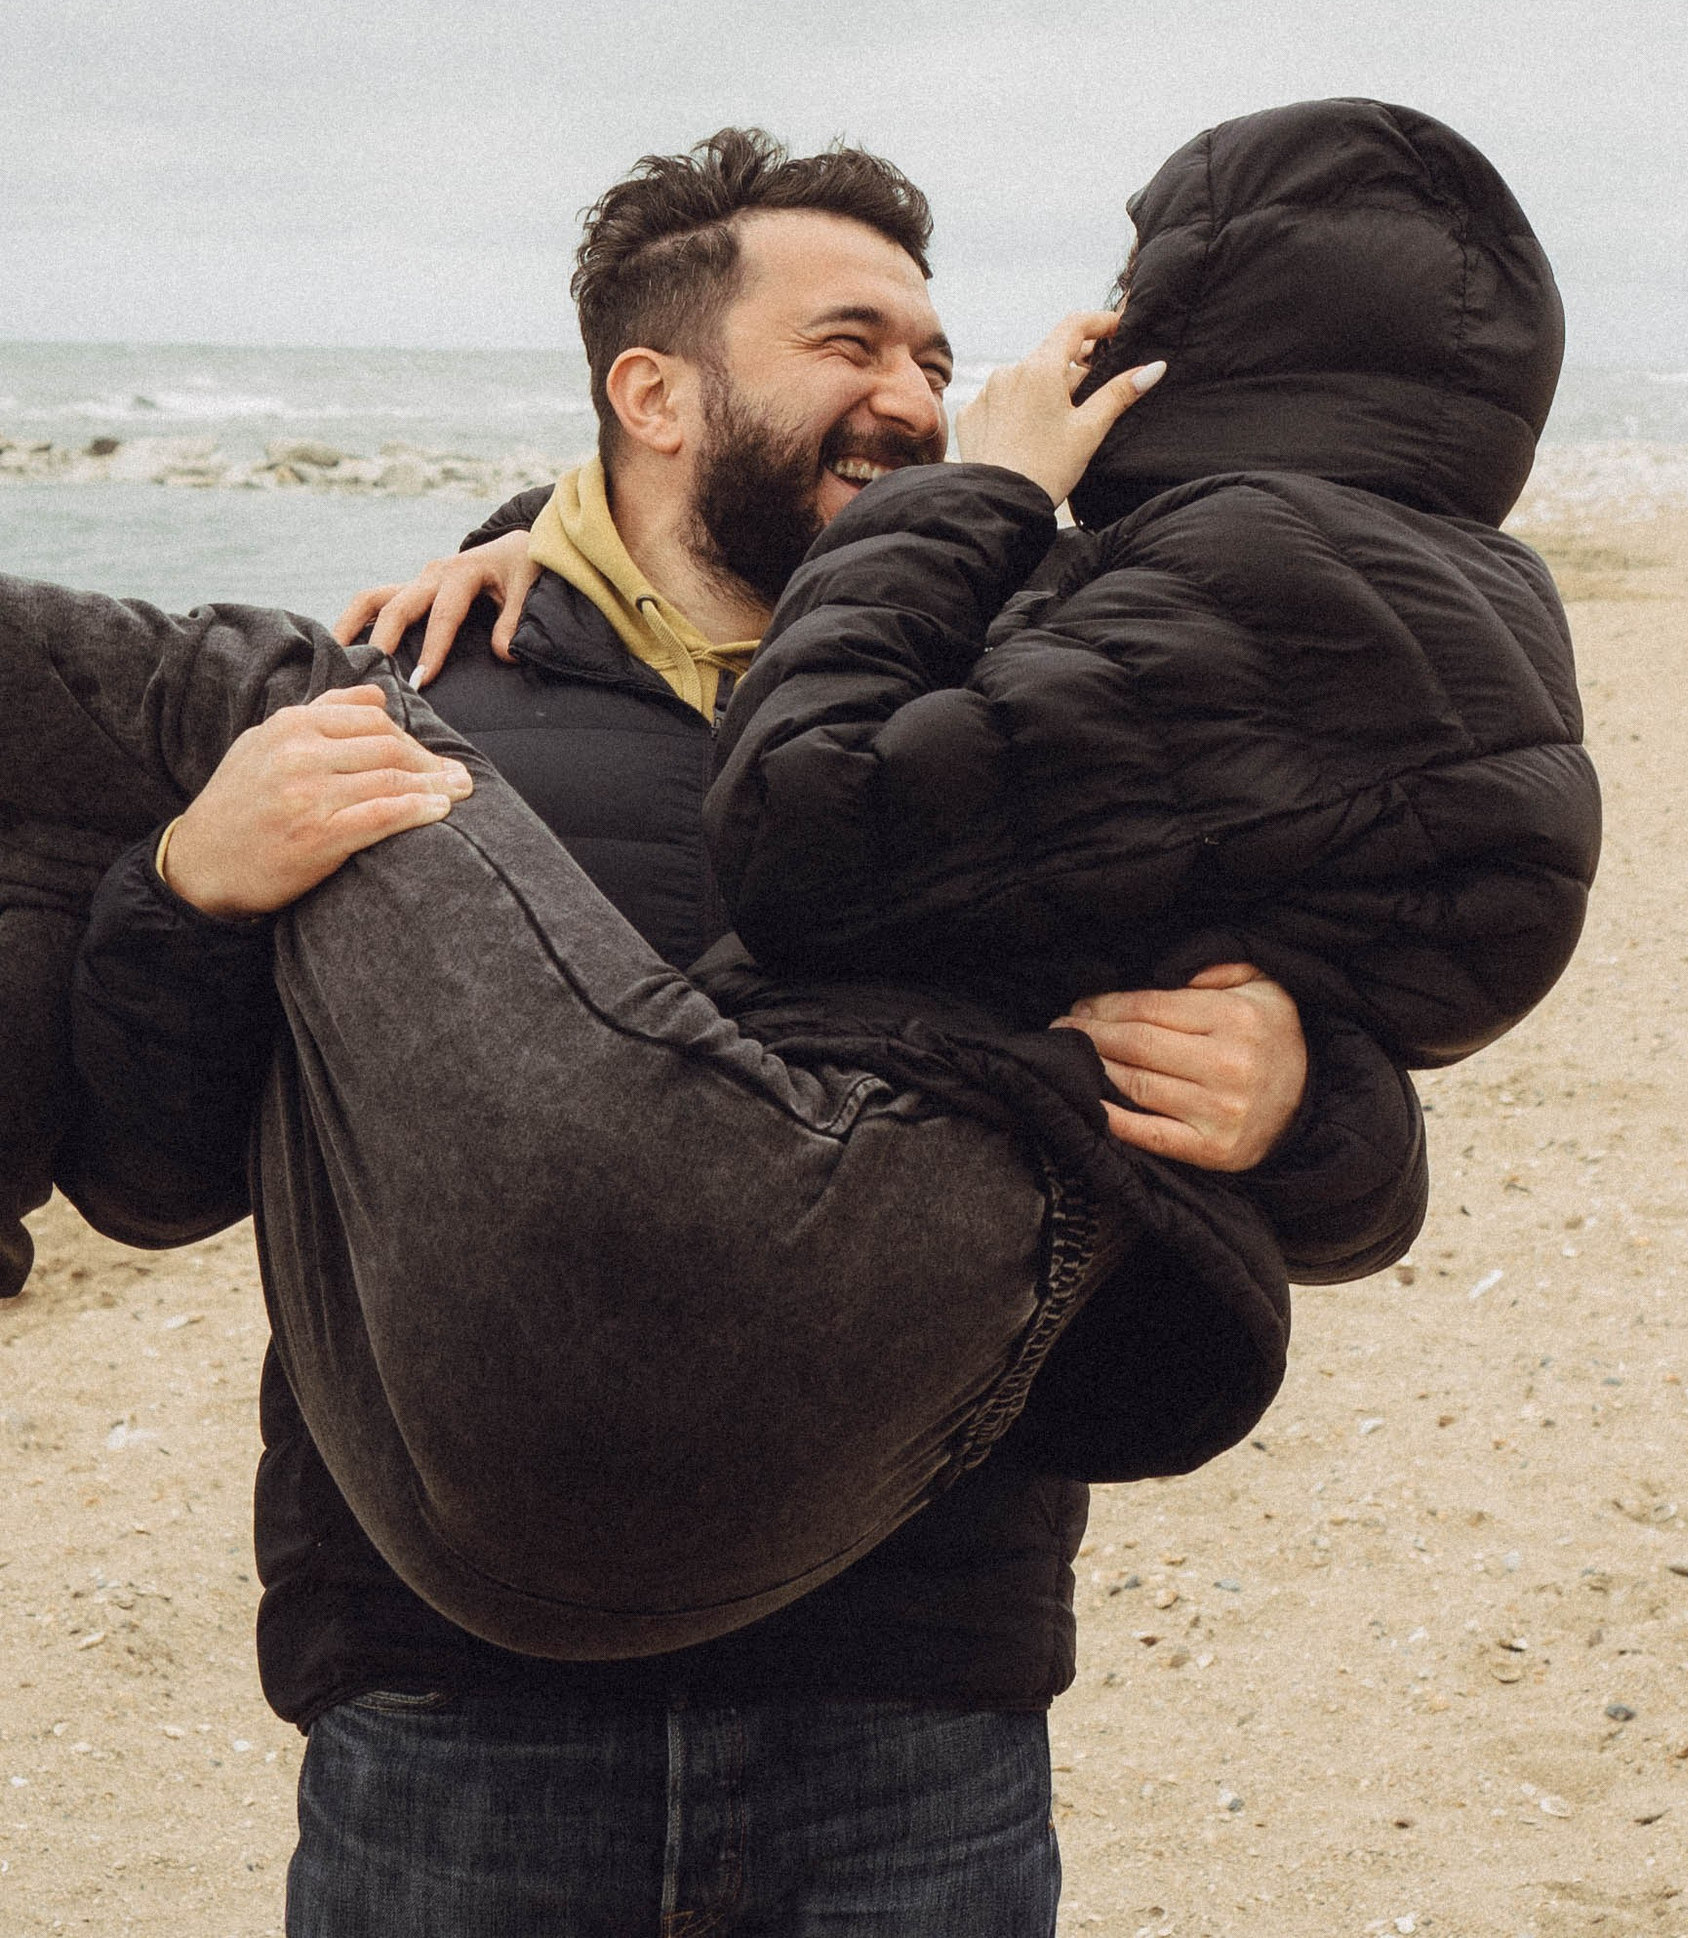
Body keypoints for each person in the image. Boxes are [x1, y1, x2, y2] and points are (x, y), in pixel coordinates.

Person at [46, 128, 1427, 1938]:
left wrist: (1304, 1099)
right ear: (657, 390)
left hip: (913, 1685)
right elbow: (152, 1182)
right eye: (849, 346)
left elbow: (1359, 1192)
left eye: (935, 359)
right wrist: (184, 888)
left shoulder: (1046, 718)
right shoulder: (400, 705)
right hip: (453, 1697)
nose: (918, 400)